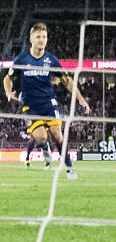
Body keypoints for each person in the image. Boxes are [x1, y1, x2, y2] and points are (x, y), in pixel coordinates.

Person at [3, 22, 90, 179]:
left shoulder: (51, 60)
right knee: (41, 137)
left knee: (58, 135)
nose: (41, 40)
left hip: (49, 103)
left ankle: (70, 169)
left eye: (44, 37)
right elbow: (7, 79)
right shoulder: (21, 59)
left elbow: (66, 80)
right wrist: (8, 92)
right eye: (38, 37)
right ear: (31, 39)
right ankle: (46, 152)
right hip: (30, 105)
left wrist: (81, 100)